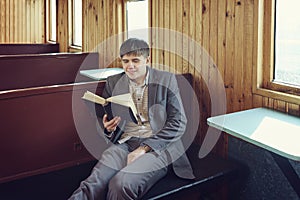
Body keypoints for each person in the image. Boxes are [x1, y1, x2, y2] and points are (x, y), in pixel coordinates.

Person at [69, 38, 195, 200]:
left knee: (121, 184)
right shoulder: (113, 81)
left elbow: (178, 123)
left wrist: (143, 149)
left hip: (158, 147)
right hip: (125, 143)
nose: (130, 66)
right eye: (125, 61)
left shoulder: (166, 79)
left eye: (135, 60)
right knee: (94, 182)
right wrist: (107, 127)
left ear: (147, 60)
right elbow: (103, 115)